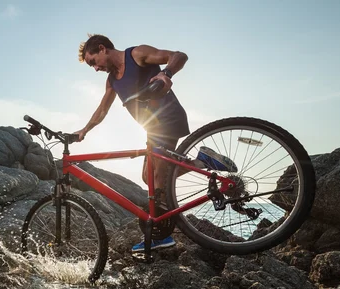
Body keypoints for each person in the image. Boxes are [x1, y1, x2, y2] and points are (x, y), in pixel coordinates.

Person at [74, 34, 233, 253]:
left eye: (93, 62)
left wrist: (165, 73)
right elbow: (102, 110)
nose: (95, 68)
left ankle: (161, 236)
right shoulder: (112, 80)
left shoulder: (136, 54)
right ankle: (202, 161)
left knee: (157, 179)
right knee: (148, 176)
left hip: (167, 119)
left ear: (102, 49)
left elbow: (178, 56)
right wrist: (85, 129)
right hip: (152, 129)